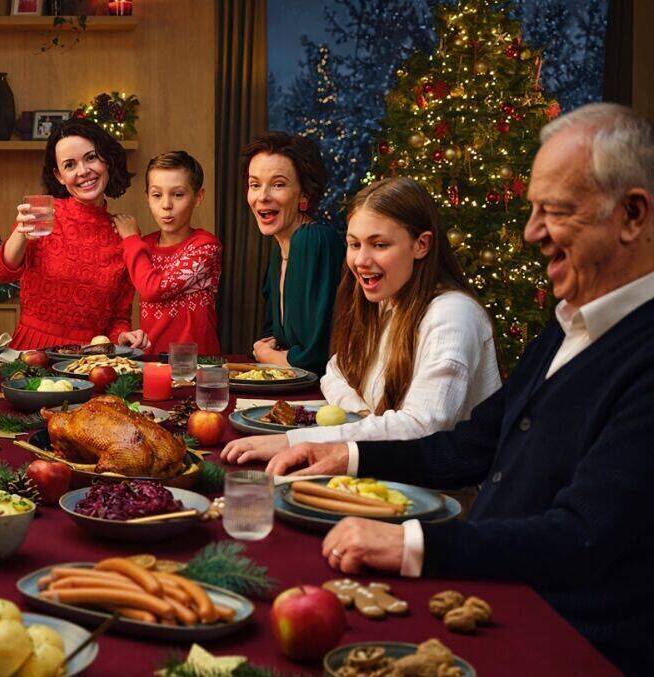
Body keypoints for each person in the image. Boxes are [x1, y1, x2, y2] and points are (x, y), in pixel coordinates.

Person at [264, 103, 654, 674]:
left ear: (633, 215)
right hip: (492, 594)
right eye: (531, 210)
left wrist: (414, 547)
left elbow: (582, 538)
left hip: (570, 643)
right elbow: (471, 442)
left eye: (556, 211)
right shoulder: (570, 323)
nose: (531, 233)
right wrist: (342, 452)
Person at [221, 177, 500, 463]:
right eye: (354, 244)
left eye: (379, 245)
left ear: (422, 245)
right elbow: (335, 371)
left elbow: (421, 428)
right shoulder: (384, 300)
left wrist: (295, 441)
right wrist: (363, 416)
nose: (361, 260)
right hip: (386, 472)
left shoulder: (453, 314)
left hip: (448, 497)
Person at [0, 118, 147, 349]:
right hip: (33, 351)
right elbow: (2, 273)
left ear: (107, 160)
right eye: (70, 165)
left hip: (89, 359)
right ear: (59, 176)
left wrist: (123, 337)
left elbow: (118, 318)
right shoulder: (41, 214)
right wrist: (20, 235)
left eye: (91, 157)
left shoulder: (123, 232)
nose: (83, 171)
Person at [246, 132, 344, 375]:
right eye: (255, 185)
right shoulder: (279, 252)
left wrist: (268, 354)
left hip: (326, 398)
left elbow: (315, 357)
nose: (262, 197)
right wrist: (272, 352)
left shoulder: (313, 240)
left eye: (278, 184)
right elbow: (275, 339)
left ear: (304, 195)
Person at [113, 151, 222, 355]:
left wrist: (129, 238)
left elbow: (153, 289)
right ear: (147, 197)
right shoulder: (142, 246)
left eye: (178, 194)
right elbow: (120, 308)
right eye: (157, 195)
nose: (166, 205)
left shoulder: (206, 247)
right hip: (151, 363)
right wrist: (124, 335)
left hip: (198, 364)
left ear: (198, 197)